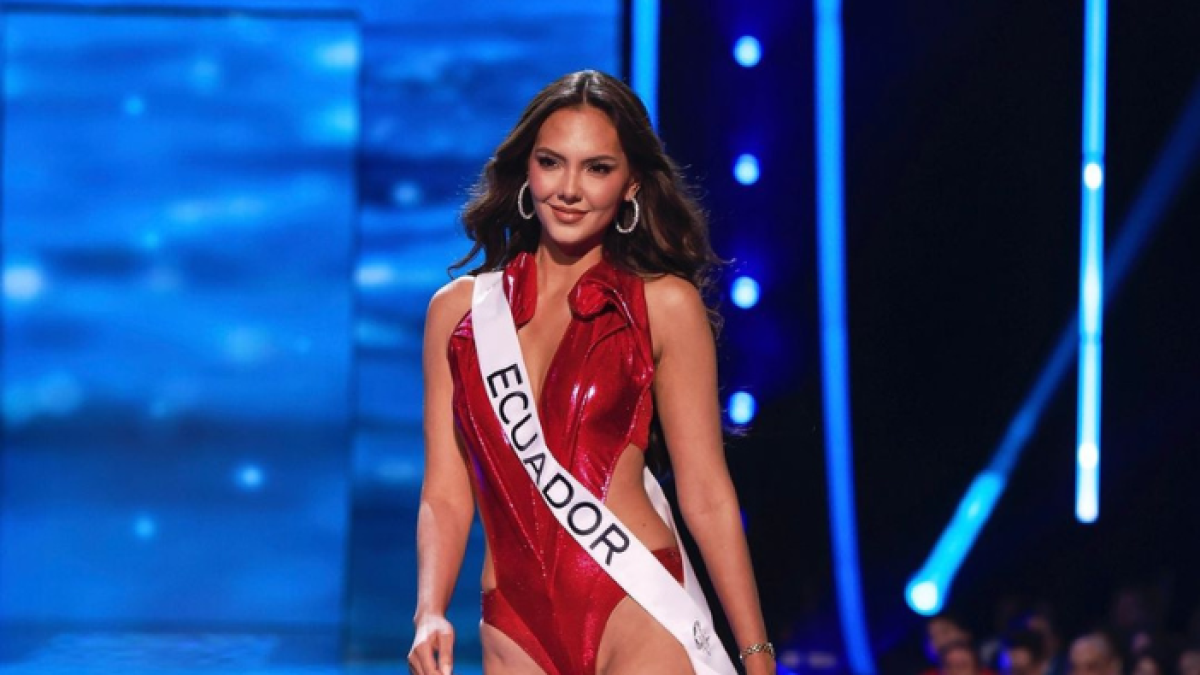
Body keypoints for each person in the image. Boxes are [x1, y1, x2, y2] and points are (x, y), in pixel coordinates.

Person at [408, 70, 773, 675]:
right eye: (553, 162)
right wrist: (429, 610)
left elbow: (705, 492)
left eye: (597, 168)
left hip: (638, 605)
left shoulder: (664, 305)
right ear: (528, 170)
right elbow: (445, 494)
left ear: (631, 184)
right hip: (513, 626)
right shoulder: (458, 315)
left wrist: (756, 654)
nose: (570, 189)